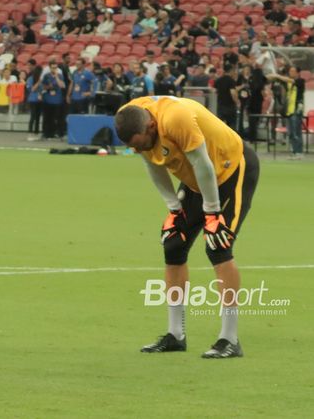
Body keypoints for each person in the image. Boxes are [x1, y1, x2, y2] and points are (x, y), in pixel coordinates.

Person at [114, 96, 260, 358]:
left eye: (139, 145)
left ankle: (230, 338)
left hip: (230, 169)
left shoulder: (175, 118)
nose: (138, 151)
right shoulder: (131, 116)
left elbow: (203, 163)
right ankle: (175, 335)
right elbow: (153, 164)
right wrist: (173, 209)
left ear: (150, 127)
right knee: (173, 243)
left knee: (218, 245)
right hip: (197, 179)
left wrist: (212, 213)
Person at [267, 67, 305, 159]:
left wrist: (278, 76)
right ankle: (294, 151)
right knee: (291, 133)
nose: (291, 72)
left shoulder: (300, 81)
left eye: (293, 71)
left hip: (296, 109)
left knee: (296, 132)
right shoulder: (287, 82)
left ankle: (299, 152)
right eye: (290, 71)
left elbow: (289, 80)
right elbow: (277, 80)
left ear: (298, 73)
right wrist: (273, 77)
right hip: (289, 110)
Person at [41, 58, 65, 139]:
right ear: (49, 68)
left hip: (57, 99)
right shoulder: (46, 76)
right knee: (47, 117)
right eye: (52, 68)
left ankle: (57, 133)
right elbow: (43, 86)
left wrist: (57, 76)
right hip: (47, 99)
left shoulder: (60, 75)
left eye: (55, 68)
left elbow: (61, 85)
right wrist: (48, 87)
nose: (54, 69)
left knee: (57, 118)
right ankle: (46, 133)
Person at [214, 64, 239, 130]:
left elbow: (214, 90)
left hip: (220, 106)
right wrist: (237, 102)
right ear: (231, 71)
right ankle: (231, 139)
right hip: (230, 106)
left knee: (220, 124)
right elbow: (233, 93)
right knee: (231, 125)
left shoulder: (219, 80)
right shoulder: (231, 80)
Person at [26, 64, 43, 135]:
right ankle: (30, 130)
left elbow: (43, 89)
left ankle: (36, 130)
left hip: (40, 99)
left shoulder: (43, 79)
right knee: (33, 115)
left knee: (38, 116)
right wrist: (38, 82)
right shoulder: (31, 79)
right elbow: (32, 89)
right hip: (33, 99)